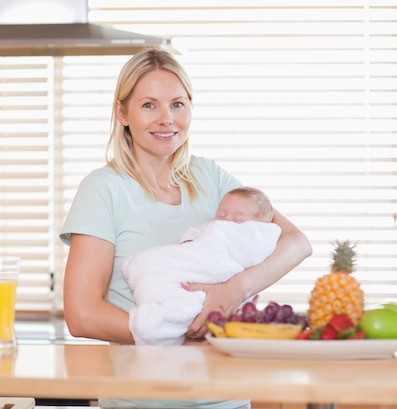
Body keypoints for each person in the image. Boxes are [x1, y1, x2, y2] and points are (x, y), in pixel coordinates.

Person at [59, 48, 312, 409]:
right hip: (140, 401)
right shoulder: (103, 189)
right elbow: (82, 315)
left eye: (178, 104)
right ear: (122, 113)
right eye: (149, 105)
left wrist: (230, 293)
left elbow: (296, 242)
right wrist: (176, 330)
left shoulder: (210, 177)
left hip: (226, 399)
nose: (167, 119)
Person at [123, 186, 282, 345]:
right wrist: (189, 246)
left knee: (188, 304)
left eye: (238, 220)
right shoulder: (208, 228)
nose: (225, 222)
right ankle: (156, 304)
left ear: (257, 228)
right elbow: (190, 243)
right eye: (221, 215)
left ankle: (161, 320)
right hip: (195, 272)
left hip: (223, 291)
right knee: (152, 265)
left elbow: (258, 259)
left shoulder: (256, 240)